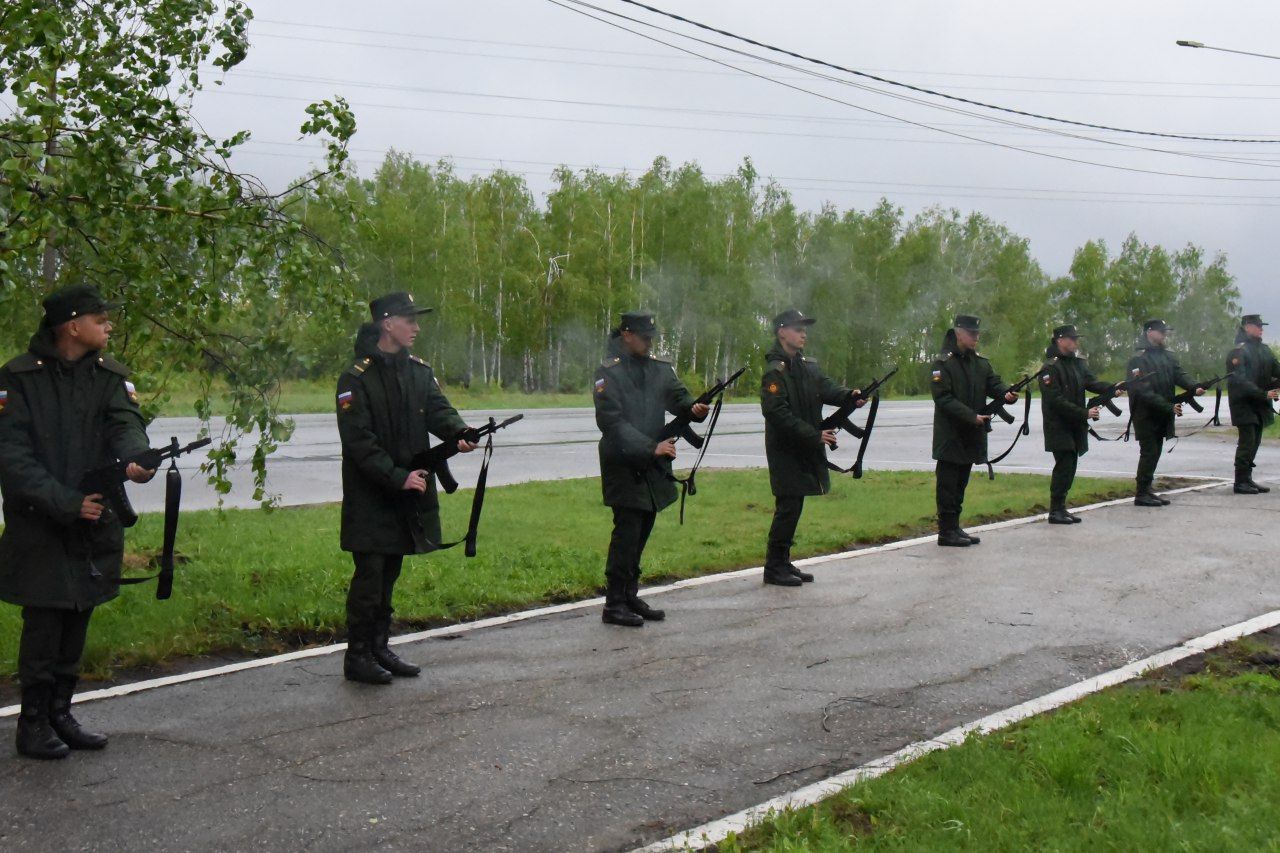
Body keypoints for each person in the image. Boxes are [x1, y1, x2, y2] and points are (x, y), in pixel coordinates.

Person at [0, 284, 156, 760]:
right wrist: (66, 502)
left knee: (80, 612)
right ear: (72, 325)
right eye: (100, 318)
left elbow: (124, 424)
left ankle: (62, 715)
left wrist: (135, 459)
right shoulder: (17, 378)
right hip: (41, 522)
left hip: (93, 519)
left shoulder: (109, 376)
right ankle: (33, 724)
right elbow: (11, 456)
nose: (108, 325)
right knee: (45, 621)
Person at [336, 292, 478, 684]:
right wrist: (398, 476)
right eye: (409, 320)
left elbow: (438, 409)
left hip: (406, 493)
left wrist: (461, 432)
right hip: (373, 495)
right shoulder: (356, 377)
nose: (416, 327)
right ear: (387, 323)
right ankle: (358, 656)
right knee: (370, 577)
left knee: (391, 572)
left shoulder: (417, 371)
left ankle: (380, 648)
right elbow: (359, 441)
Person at [593, 311, 708, 627]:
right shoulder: (608, 373)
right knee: (626, 533)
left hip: (652, 463)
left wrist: (693, 408)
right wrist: (650, 447)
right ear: (626, 335)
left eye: (651, 338)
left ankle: (630, 595)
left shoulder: (658, 369)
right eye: (644, 337)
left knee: (643, 528)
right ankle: (614, 603)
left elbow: (677, 397)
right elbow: (611, 422)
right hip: (623, 462)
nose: (648, 342)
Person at [759, 309, 864, 586]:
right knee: (788, 505)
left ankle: (782, 561)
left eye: (804, 329)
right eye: (797, 328)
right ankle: (773, 567)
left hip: (803, 445)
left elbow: (826, 388)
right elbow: (776, 413)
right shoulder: (775, 372)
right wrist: (813, 435)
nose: (803, 333)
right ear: (782, 332)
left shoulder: (805, 366)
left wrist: (850, 395)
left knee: (795, 505)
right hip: (786, 449)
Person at [930, 315, 1017, 546]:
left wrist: (1006, 393)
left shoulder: (980, 363)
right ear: (958, 333)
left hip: (971, 434)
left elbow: (993, 383)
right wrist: (971, 416)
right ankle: (945, 531)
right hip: (951, 434)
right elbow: (943, 398)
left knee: (961, 483)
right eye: (971, 333)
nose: (976, 337)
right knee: (947, 485)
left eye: (977, 333)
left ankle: (955, 527)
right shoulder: (943, 364)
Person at [1038, 324, 1123, 524]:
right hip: (1059, 424)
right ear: (1060, 340)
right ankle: (1055, 509)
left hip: (1075, 424)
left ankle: (1061, 508)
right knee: (1064, 464)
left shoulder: (1078, 364)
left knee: (1071, 464)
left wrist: (1112, 388)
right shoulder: (1050, 368)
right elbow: (1055, 400)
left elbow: (1091, 383)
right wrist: (1084, 413)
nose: (1076, 342)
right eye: (1072, 338)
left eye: (1077, 339)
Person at [1126, 319, 1204, 507]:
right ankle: (1141, 493)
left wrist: (1195, 386)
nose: (1164, 335)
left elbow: (1179, 375)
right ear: (1149, 332)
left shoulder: (1167, 357)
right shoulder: (1138, 359)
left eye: (1165, 332)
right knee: (1149, 452)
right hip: (1146, 414)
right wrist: (1167, 406)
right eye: (1161, 331)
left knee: (1156, 452)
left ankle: (1147, 490)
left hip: (1163, 412)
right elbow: (1142, 391)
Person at [1225, 314, 1280, 495]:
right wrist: (1263, 394)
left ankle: (1247, 478)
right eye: (1257, 325)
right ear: (1247, 327)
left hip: (1260, 404)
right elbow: (1240, 381)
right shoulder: (1238, 352)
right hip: (1244, 404)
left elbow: (1276, 369)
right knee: (1247, 441)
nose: (1261, 328)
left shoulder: (1264, 350)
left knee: (1255, 442)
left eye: (1261, 326)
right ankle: (1240, 481)